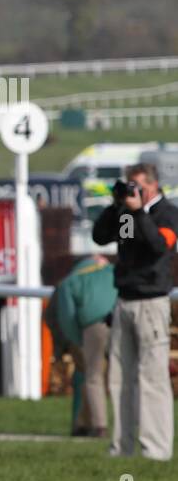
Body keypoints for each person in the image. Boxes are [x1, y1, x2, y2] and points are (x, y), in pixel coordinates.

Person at [91, 163, 178, 461]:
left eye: (137, 186)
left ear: (152, 187)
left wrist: (139, 212)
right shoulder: (126, 213)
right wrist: (116, 206)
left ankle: (156, 450)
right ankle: (122, 448)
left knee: (152, 379)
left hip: (152, 303)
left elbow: (158, 245)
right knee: (119, 378)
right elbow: (100, 237)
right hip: (124, 300)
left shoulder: (168, 213)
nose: (133, 192)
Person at [47, 254, 117, 439]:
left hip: (93, 327)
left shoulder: (70, 282)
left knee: (92, 377)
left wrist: (77, 341)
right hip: (121, 321)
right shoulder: (113, 272)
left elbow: (66, 317)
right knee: (113, 376)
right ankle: (85, 423)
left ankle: (99, 425)